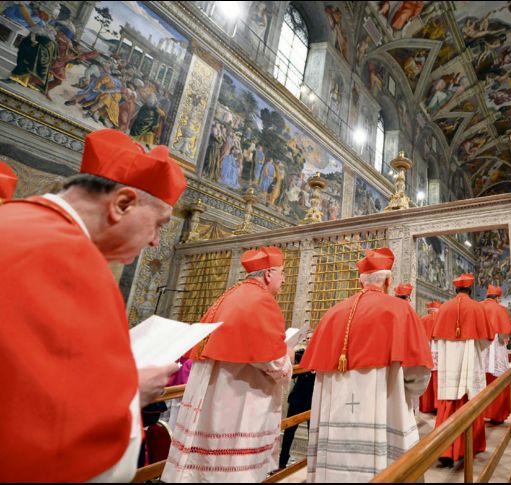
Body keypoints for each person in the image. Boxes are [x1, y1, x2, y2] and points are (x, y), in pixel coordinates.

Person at [0, 128, 187, 482]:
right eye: (159, 224)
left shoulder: (13, 220)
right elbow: (60, 434)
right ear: (122, 204)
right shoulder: (72, 260)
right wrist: (132, 391)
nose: (154, 241)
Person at [162, 246, 293, 483]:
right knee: (228, 470)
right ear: (268, 274)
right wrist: (289, 357)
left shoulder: (231, 295)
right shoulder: (261, 301)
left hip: (214, 400)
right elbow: (272, 361)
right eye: (282, 273)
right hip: (235, 400)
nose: (284, 279)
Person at [300, 247, 432, 482]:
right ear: (388, 280)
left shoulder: (332, 313)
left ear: (360, 281)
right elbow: (418, 371)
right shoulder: (400, 310)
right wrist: (406, 395)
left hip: (335, 415)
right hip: (386, 409)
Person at [432, 273, 495, 467]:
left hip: (448, 361)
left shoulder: (444, 308)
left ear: (455, 289)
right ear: (470, 289)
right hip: (469, 358)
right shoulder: (477, 307)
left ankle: (445, 447)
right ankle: (469, 445)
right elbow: (486, 339)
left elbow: (437, 337)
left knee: (449, 398)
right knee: (469, 399)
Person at [480, 285, 511, 424]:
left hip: (479, 346)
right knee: (497, 377)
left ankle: (480, 412)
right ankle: (496, 414)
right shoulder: (500, 309)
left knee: (481, 376)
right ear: (498, 298)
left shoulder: (478, 306)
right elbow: (504, 334)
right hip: (495, 346)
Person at [277, 346, 316, 470]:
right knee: (288, 432)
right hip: (297, 400)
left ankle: (311, 463)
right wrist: (293, 358)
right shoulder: (302, 353)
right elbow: (291, 375)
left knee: (313, 434)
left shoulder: (323, 356)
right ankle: (282, 463)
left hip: (312, 402)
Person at [419, 301, 442, 414]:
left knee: (426, 377)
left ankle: (426, 406)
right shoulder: (442, 319)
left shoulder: (423, 319)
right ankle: (439, 405)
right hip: (440, 353)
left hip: (427, 352)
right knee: (438, 378)